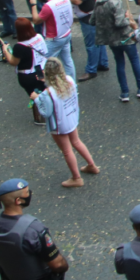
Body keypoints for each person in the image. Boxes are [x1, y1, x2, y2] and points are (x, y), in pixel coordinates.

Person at [31, 58, 100, 187]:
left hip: (59, 124)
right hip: (71, 117)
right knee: (77, 142)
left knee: (67, 150)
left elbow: (45, 112)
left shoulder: (48, 93)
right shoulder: (69, 80)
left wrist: (37, 99)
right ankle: (92, 165)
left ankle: (76, 178)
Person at [92, 0, 140, 103]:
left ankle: (124, 92)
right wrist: (129, 19)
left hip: (112, 40)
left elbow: (92, 21)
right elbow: (119, 22)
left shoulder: (98, 3)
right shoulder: (116, 2)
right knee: (135, 61)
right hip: (125, 38)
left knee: (120, 64)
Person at [68, 0, 109, 82]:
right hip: (94, 14)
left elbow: (78, 0)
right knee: (99, 41)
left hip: (88, 17)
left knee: (91, 44)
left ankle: (91, 70)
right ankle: (103, 63)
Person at [31, 0, 76, 80]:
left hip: (54, 39)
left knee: (45, 63)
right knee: (68, 61)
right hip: (66, 34)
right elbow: (56, 3)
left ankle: (50, 86)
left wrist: (33, 5)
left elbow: (36, 20)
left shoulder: (48, 7)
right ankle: (72, 86)